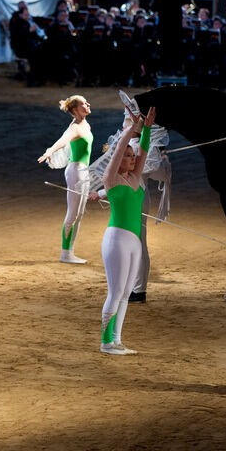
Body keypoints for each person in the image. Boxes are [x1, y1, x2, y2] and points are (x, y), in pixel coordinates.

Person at [98, 107, 155, 355]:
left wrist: (147, 129)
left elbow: (143, 153)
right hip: (117, 239)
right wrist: (131, 129)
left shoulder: (134, 178)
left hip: (133, 242)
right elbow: (119, 151)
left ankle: (117, 340)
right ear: (119, 158)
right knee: (116, 291)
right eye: (128, 155)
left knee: (126, 293)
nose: (133, 158)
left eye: (133, 156)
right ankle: (105, 341)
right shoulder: (111, 179)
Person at [38, 95, 93, 264]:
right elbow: (63, 140)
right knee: (73, 213)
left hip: (84, 170)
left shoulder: (86, 124)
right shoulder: (74, 128)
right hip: (76, 171)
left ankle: (70, 252)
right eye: (84, 103)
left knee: (80, 213)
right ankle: (65, 253)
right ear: (76, 109)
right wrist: (50, 151)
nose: (88, 104)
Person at [151, 0, 188, 73]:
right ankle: (176, 70)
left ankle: (164, 70)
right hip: (176, 26)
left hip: (164, 26)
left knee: (164, 48)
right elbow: (186, 3)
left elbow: (154, 7)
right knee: (176, 48)